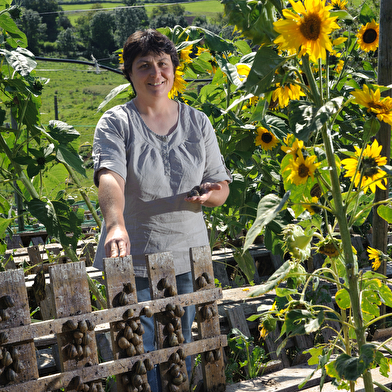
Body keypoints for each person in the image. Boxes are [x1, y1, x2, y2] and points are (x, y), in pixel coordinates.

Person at [92, 29, 231, 391]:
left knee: (178, 349)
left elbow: (221, 185)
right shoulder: (116, 122)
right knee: (138, 352)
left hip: (186, 255)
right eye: (144, 66)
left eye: (162, 64)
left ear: (173, 69)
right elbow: (110, 177)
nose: (156, 74)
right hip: (134, 253)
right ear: (129, 73)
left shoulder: (198, 121)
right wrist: (115, 224)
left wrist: (212, 193)